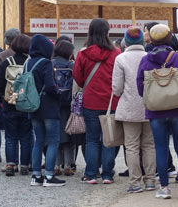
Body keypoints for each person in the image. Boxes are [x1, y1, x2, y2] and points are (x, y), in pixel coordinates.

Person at [137, 23, 178, 199]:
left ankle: (164, 187)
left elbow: (140, 87)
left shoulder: (146, 60)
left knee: (161, 148)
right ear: (170, 38)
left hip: (156, 111)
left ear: (152, 40)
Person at [73, 18, 121, 185]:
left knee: (92, 139)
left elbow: (78, 78)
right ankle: (107, 175)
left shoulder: (82, 53)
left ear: (90, 32)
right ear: (107, 33)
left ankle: (91, 174)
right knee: (109, 139)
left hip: (90, 102)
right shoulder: (116, 53)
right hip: (111, 102)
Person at [112, 26, 155, 193]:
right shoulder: (149, 56)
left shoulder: (121, 59)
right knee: (149, 145)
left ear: (126, 41)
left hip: (128, 108)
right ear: (142, 41)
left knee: (131, 146)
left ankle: (135, 182)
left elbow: (116, 88)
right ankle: (150, 180)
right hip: (150, 106)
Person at [26, 34, 65, 187]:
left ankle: (36, 176)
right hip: (48, 107)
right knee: (53, 141)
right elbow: (49, 86)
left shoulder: (28, 63)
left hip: (33, 106)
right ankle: (49, 175)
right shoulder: (46, 63)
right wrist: (59, 93)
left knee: (38, 141)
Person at [0, 33, 33, 177]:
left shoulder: (7, 62)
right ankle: (24, 165)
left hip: (9, 103)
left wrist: (3, 97)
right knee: (26, 137)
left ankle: (10, 164)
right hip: (26, 104)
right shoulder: (30, 62)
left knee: (10, 137)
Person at [53, 38, 81, 176]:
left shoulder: (50, 64)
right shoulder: (72, 65)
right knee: (70, 136)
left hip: (53, 104)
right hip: (69, 104)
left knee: (56, 137)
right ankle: (68, 166)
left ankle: (56, 165)